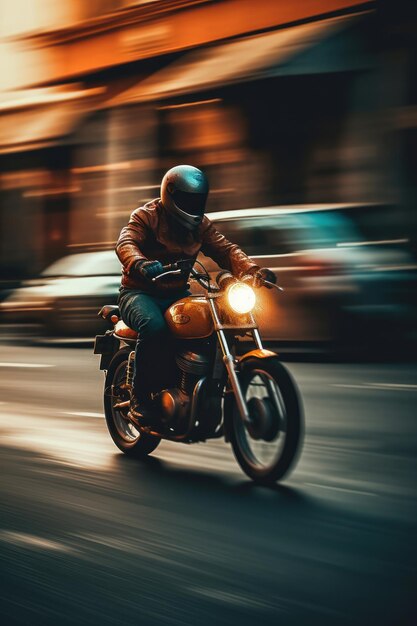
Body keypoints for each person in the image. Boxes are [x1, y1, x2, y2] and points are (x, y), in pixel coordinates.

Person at [116, 164, 276, 425]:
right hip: (139, 292)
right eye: (187, 199)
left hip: (178, 293)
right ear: (170, 194)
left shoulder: (200, 225)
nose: (193, 205)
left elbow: (226, 249)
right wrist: (139, 262)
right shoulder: (146, 216)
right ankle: (140, 398)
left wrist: (251, 269)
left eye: (197, 200)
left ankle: (199, 388)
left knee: (211, 323)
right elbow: (126, 242)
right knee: (154, 327)